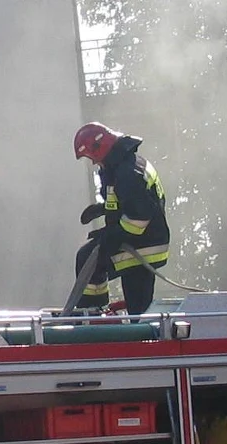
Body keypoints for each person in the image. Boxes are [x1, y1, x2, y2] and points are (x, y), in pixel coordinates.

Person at [72, 122, 170, 316]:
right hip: (141, 240)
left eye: (92, 157)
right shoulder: (120, 165)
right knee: (89, 258)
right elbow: (127, 201)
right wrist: (102, 209)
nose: (93, 162)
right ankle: (96, 314)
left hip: (143, 246)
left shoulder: (128, 172)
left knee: (89, 259)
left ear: (100, 148)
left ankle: (95, 316)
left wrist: (112, 236)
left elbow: (139, 218)